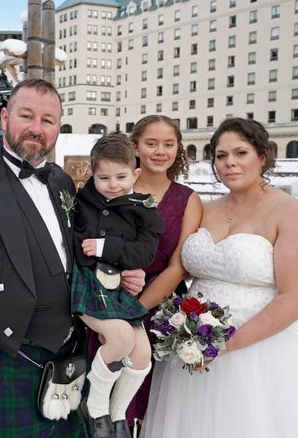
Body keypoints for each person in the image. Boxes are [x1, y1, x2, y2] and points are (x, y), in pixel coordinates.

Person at [0, 78, 146, 437]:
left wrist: (118, 273)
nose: (37, 129)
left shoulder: (61, 183)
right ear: (4, 117)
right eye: (26, 116)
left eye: (48, 120)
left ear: (58, 127)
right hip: (0, 361)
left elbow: (75, 255)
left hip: (66, 358)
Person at [141, 118, 298, 437]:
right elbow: (175, 261)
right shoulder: (202, 208)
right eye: (221, 156)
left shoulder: (290, 212)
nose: (230, 163)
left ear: (262, 156)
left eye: (241, 152)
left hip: (267, 350)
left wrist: (226, 343)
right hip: (193, 343)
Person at [71, 132, 164, 438]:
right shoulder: (81, 201)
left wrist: (104, 247)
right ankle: (94, 406)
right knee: (121, 338)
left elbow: (145, 253)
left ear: (136, 174)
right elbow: (74, 243)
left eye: (121, 177)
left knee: (141, 354)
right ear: (92, 175)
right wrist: (93, 253)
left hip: (118, 290)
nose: (112, 185)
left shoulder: (144, 209)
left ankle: (117, 412)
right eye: (103, 177)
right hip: (86, 284)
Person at [115, 115, 202, 429]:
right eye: (151, 143)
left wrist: (135, 310)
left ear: (178, 148)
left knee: (151, 408)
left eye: (169, 144)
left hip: (160, 311)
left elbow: (178, 266)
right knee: (106, 401)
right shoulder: (113, 187)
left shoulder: (188, 200)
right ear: (136, 146)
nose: (160, 151)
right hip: (108, 303)